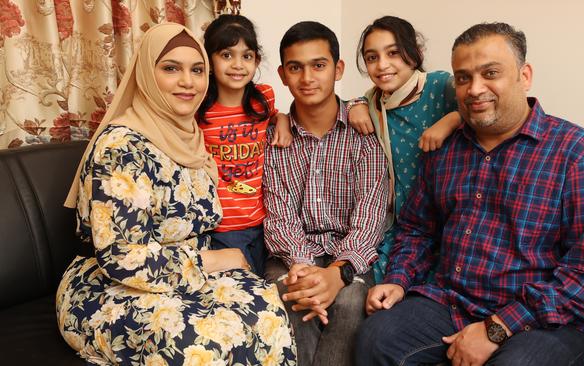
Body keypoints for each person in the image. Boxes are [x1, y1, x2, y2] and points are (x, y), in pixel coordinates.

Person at [356, 22, 584, 366]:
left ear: (524, 76)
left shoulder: (578, 153)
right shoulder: (444, 150)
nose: (474, 88)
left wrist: (497, 327)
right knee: (376, 338)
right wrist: (398, 280)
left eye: (490, 73)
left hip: (547, 321)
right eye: (464, 77)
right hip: (451, 302)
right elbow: (416, 229)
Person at [56, 23, 296, 365]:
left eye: (197, 70)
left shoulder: (189, 134)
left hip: (189, 279)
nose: (188, 81)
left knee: (268, 311)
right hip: (115, 287)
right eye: (171, 68)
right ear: (146, 75)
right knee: (202, 345)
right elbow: (119, 257)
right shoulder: (121, 147)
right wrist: (209, 260)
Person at [263, 21, 389, 366]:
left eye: (318, 65)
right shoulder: (276, 140)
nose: (307, 78)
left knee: (349, 303)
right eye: (295, 67)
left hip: (348, 256)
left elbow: (370, 217)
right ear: (283, 74)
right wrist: (304, 269)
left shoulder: (364, 133)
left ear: (338, 69)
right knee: (292, 294)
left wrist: (337, 273)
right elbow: (279, 214)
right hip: (292, 255)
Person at [347, 15, 461, 283]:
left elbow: (484, 104)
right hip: (401, 225)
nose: (382, 65)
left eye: (393, 53)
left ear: (415, 53)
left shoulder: (439, 86)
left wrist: (452, 119)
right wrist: (355, 105)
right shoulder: (372, 101)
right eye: (372, 57)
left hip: (446, 220)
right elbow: (339, 107)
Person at [197, 14, 293, 277]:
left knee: (268, 284)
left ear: (256, 61)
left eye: (246, 56)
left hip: (262, 221)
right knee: (243, 291)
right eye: (227, 55)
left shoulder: (263, 97)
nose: (238, 65)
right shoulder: (200, 109)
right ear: (209, 61)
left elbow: (276, 114)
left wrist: (282, 120)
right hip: (222, 226)